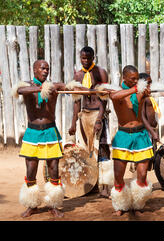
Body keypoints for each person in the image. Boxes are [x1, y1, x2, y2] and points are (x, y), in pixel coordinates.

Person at [14, 60, 81, 218]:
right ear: (34, 69)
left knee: (53, 168)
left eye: (47, 69)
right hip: (33, 133)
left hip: (50, 131)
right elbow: (21, 90)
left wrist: (95, 90)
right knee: (31, 169)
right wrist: (41, 88)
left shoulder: (54, 86)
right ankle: (32, 205)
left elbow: (71, 87)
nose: (45, 71)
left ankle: (53, 204)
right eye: (42, 68)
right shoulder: (27, 86)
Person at [103, 65, 157, 216]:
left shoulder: (141, 91)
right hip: (123, 136)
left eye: (136, 79)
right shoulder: (116, 92)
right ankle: (121, 205)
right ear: (124, 78)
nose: (135, 82)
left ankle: (138, 204)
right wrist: (136, 90)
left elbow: (148, 116)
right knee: (119, 175)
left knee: (142, 174)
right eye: (132, 79)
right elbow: (114, 97)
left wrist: (146, 96)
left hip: (140, 136)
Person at [68, 46, 112, 198]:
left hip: (98, 114)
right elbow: (76, 100)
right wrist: (74, 122)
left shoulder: (101, 72)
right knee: (86, 151)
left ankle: (105, 186)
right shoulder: (78, 75)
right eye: (83, 58)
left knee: (103, 150)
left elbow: (104, 98)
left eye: (88, 58)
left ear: (94, 57)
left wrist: (99, 118)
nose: (85, 61)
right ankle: (91, 185)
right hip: (84, 116)